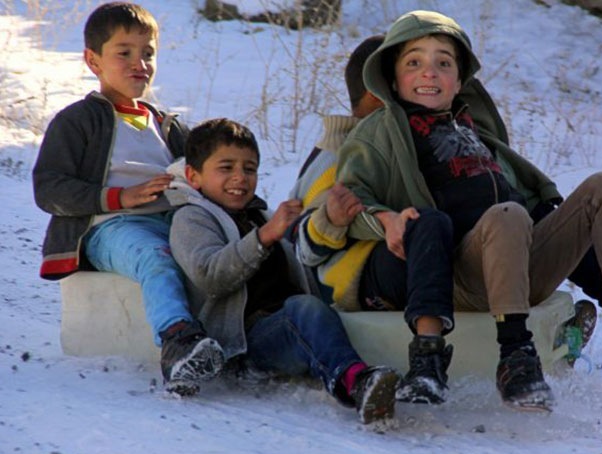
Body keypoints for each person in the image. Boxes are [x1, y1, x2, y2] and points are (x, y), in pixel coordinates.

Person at [333, 10, 602, 410]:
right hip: (458, 276)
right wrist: (385, 220)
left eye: (443, 63)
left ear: (459, 79)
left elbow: (534, 199)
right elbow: (350, 195)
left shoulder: (473, 132)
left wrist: (558, 220)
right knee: (509, 216)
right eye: (414, 62)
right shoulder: (381, 132)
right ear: (392, 77)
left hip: (519, 268)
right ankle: (516, 357)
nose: (429, 73)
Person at [32, 2, 224, 396]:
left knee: (224, 252)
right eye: (124, 53)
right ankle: (178, 342)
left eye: (148, 53)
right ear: (93, 60)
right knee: (157, 257)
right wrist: (122, 196)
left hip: (174, 218)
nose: (140, 63)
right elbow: (49, 188)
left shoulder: (167, 124)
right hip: (110, 226)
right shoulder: (78, 120)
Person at [166, 118, 400, 424]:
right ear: (193, 176)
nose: (240, 177)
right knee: (300, 311)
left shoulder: (258, 215)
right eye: (226, 167)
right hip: (246, 343)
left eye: (249, 169)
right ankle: (355, 382)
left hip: (285, 322)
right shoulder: (191, 218)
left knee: (307, 306)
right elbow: (210, 276)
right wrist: (264, 238)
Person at [289, 35, 384, 306]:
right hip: (344, 299)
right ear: (377, 94)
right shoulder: (340, 157)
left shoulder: (371, 147)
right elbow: (300, 248)